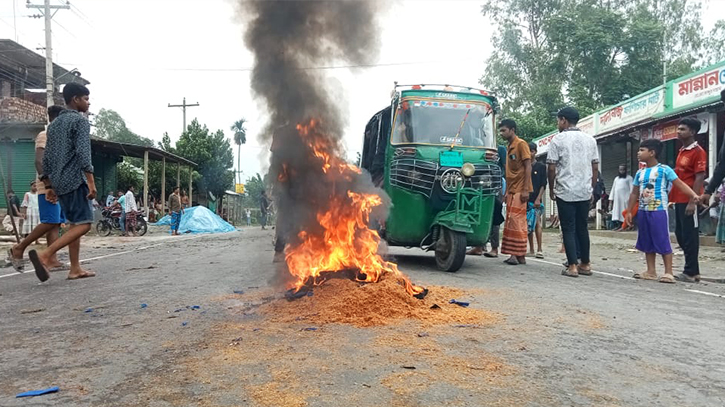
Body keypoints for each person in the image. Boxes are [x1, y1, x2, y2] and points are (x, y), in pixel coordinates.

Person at [28, 83, 96, 281]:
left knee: (75, 224)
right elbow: (84, 154)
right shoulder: (80, 122)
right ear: (75, 99)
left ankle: (75, 268)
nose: (88, 102)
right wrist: (91, 182)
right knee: (84, 225)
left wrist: (49, 185)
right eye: (85, 98)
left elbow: (46, 157)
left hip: (58, 181)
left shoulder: (54, 125)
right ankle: (46, 255)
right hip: (75, 180)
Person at [626, 139, 699, 283]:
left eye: (642, 150)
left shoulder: (665, 170)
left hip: (658, 210)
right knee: (646, 240)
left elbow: (679, 184)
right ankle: (651, 271)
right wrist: (629, 211)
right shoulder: (640, 173)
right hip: (643, 210)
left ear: (652, 153)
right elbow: (634, 193)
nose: (638, 153)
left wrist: (693, 195)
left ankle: (668, 272)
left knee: (662, 239)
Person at [7, 106, 66, 272]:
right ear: (57, 119)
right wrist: (48, 185)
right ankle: (19, 248)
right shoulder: (45, 135)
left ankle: (52, 259)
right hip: (47, 187)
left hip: (57, 187)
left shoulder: (57, 138)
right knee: (49, 221)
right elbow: (39, 162)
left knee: (55, 223)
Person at [547, 107, 599, 278]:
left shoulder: (558, 140)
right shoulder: (590, 140)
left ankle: (572, 266)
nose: (558, 124)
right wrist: (590, 187)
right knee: (582, 228)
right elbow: (595, 166)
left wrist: (552, 187)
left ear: (563, 120)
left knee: (568, 228)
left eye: (558, 120)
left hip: (565, 190)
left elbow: (552, 167)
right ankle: (586, 263)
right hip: (584, 190)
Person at [670, 117, 707, 283]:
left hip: (689, 200)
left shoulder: (697, 151)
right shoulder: (681, 151)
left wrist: (693, 200)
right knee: (680, 234)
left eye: (682, 129)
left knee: (690, 235)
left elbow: (700, 176)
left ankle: (691, 271)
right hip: (679, 198)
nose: (679, 131)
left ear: (692, 132)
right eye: (678, 129)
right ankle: (693, 268)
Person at [498, 119, 533, 266]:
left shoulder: (521, 144)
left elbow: (527, 166)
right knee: (512, 220)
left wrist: (525, 189)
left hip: (520, 189)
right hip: (512, 189)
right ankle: (519, 255)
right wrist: (507, 192)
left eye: (504, 130)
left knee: (516, 221)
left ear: (512, 130)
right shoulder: (509, 146)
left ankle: (515, 254)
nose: (501, 133)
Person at [468, 145, 507, 257]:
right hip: (477, 185)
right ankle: (478, 246)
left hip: (493, 186)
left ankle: (494, 248)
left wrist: (506, 190)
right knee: (477, 213)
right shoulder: (476, 145)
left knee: (493, 214)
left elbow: (505, 167)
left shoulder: (499, 149)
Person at [527, 142, 547, 259]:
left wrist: (538, 198)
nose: (529, 154)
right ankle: (531, 249)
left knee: (537, 223)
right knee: (528, 224)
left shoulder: (540, 167)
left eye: (531, 151)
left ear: (534, 152)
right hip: (526, 199)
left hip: (536, 199)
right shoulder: (525, 166)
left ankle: (539, 249)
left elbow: (543, 184)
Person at [610, 164, 633, 230]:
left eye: (623, 169)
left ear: (626, 170)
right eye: (620, 170)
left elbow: (632, 189)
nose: (622, 171)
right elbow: (613, 189)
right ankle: (619, 225)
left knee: (625, 212)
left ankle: (627, 225)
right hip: (617, 199)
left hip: (626, 199)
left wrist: (631, 199)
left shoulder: (629, 178)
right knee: (617, 212)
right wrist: (611, 199)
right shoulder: (616, 179)